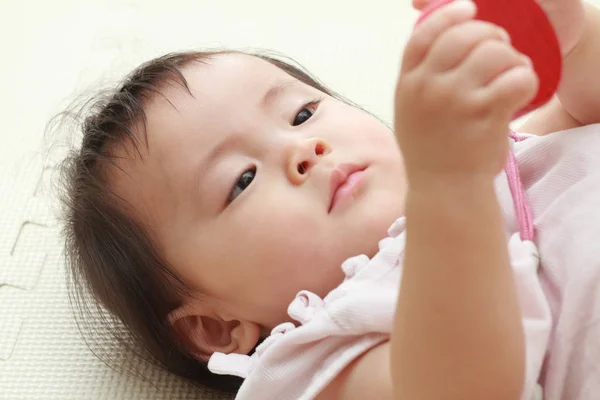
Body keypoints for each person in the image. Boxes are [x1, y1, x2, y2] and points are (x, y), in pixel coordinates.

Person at [60, 0, 600, 398]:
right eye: (242, 179)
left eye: (301, 114)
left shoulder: (498, 157)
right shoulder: (318, 359)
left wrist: (572, 40)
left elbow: (583, 114)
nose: (304, 149)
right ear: (218, 328)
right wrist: (448, 186)